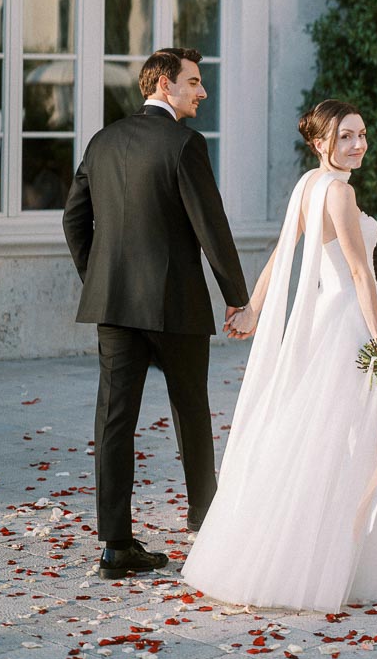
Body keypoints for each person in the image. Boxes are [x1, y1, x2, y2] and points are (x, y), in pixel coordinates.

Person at [181, 100, 377, 610]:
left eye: (362, 134)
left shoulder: (308, 185)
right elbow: (357, 272)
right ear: (320, 142)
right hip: (353, 323)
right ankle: (349, 556)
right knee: (353, 438)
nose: (357, 145)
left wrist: (255, 309)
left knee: (324, 432)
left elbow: (284, 254)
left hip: (332, 319)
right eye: (345, 136)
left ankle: (310, 544)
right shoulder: (339, 193)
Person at [62, 48, 250, 580]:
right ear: (165, 84)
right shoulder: (185, 145)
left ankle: (116, 546)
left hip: (114, 306)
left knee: (115, 420)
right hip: (175, 304)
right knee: (191, 413)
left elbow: (73, 220)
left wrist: (100, 280)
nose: (202, 92)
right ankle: (206, 524)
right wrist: (237, 296)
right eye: (194, 82)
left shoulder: (102, 142)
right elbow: (211, 226)